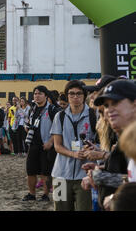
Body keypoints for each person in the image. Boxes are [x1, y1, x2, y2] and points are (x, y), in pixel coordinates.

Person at [86, 80, 136, 210]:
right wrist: (106, 167)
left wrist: (102, 179)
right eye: (106, 106)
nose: (109, 110)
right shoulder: (129, 138)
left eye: (116, 103)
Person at [51, 80, 95, 211]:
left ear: (84, 95)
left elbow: (100, 142)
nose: (75, 97)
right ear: (67, 95)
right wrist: (74, 154)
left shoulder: (94, 115)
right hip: (61, 174)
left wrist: (92, 149)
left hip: (85, 175)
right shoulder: (60, 116)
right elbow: (57, 146)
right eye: (71, 94)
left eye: (79, 94)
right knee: (60, 208)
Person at [22, 85, 59, 202]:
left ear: (46, 96)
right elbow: (28, 123)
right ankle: (31, 194)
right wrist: (27, 128)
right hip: (33, 144)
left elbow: (58, 128)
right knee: (30, 171)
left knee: (45, 172)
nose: (37, 96)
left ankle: (45, 195)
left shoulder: (52, 110)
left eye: (40, 94)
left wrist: (50, 142)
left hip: (46, 145)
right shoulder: (32, 109)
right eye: (35, 94)